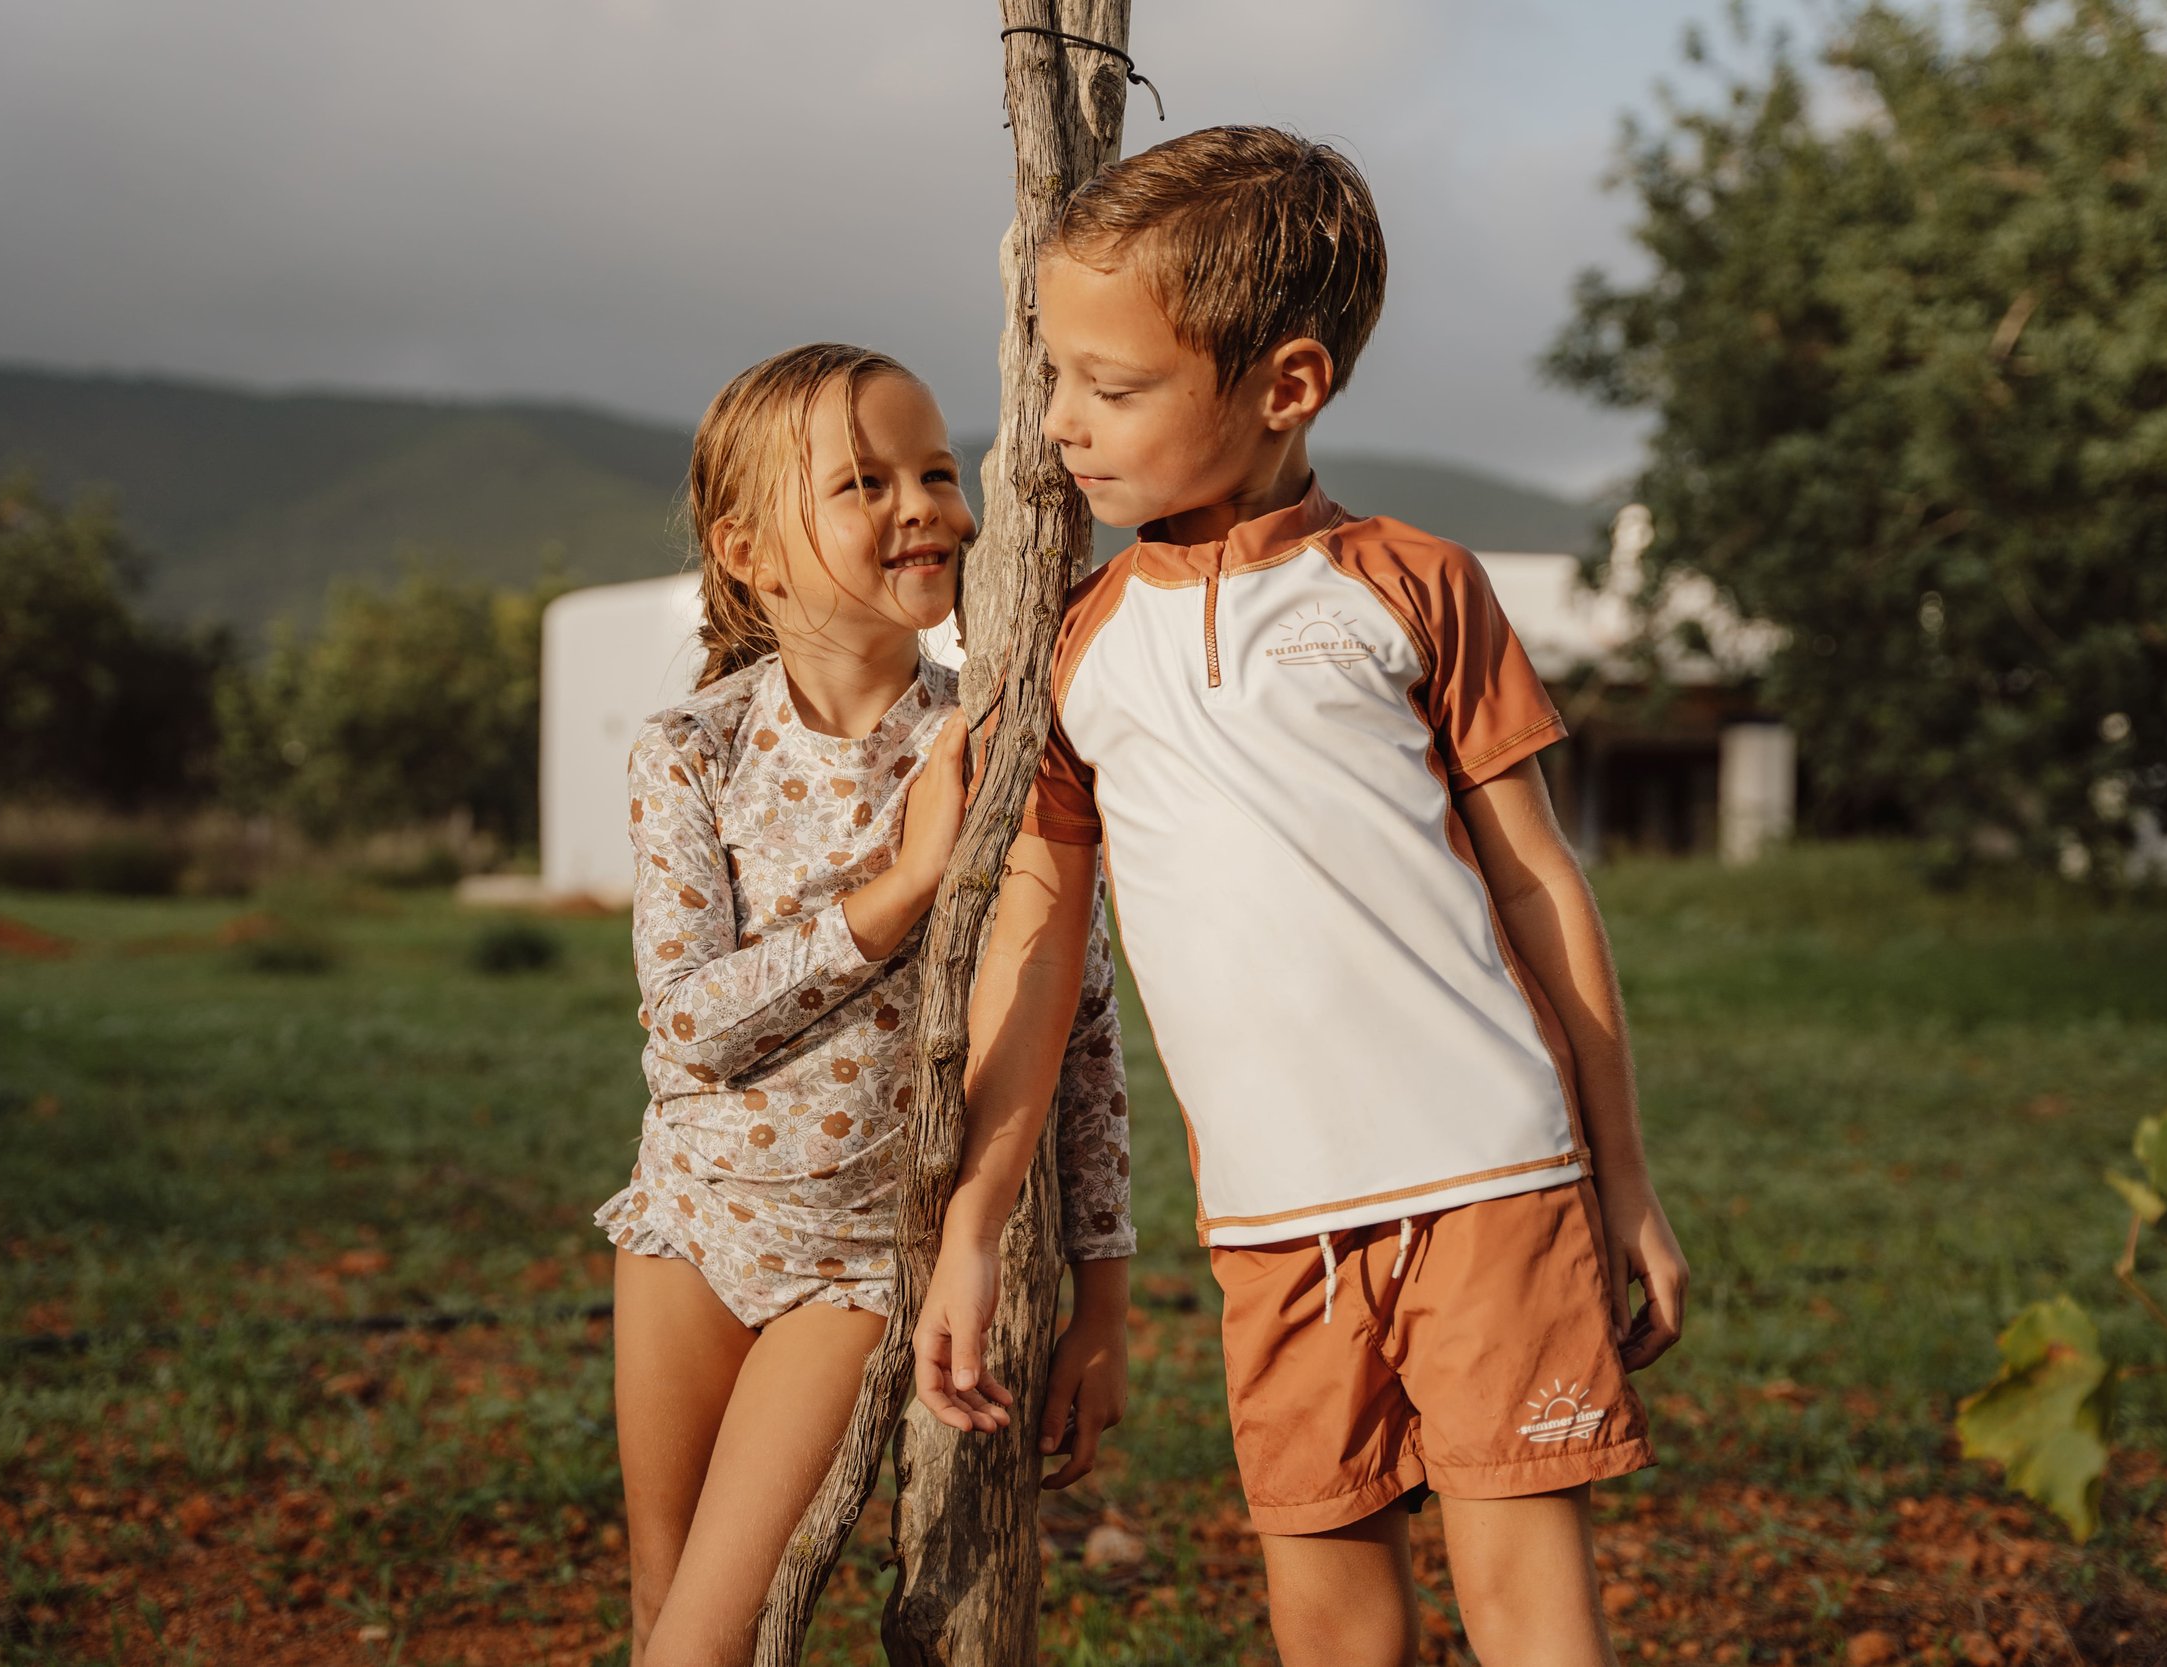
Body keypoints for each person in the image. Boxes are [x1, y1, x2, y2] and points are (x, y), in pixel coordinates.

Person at [912, 129, 1691, 1667]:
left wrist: (1624, 1175)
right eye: (1054, 376)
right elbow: (1037, 942)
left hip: (1495, 1183)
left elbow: (1541, 886)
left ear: (1287, 386)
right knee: (1332, 1625)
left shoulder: (1413, 586)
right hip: (1272, 1226)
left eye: (1113, 388)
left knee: (1539, 1618)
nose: (1061, 426)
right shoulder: (1072, 649)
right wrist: (974, 1226)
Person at [596, 342, 1133, 1666]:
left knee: (709, 1639)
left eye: (938, 472)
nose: (926, 505)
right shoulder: (691, 752)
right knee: (660, 1610)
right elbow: (689, 1024)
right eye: (864, 481)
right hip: (684, 1227)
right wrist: (898, 891)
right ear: (751, 550)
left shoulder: (1000, 745)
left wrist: (1104, 1300)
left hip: (853, 1264)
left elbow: (1083, 1030)